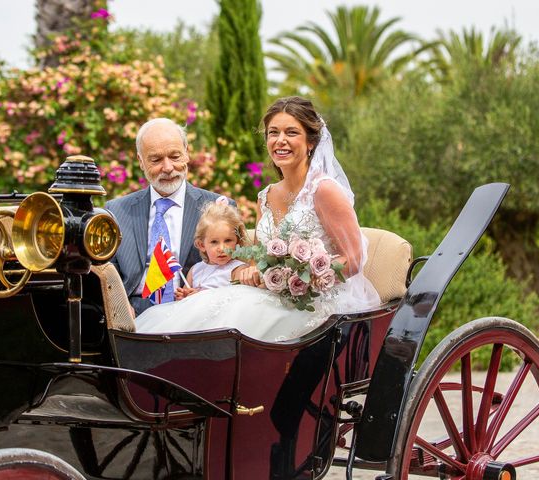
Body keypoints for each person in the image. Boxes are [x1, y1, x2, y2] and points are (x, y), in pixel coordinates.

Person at [135, 97, 380, 341]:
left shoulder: (324, 190)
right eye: (273, 133)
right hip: (274, 296)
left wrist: (302, 279)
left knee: (227, 323)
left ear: (311, 142)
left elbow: (354, 259)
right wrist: (254, 273)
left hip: (315, 303)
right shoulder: (266, 196)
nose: (280, 140)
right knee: (196, 310)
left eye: (291, 132)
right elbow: (261, 262)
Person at [106, 118, 229, 316]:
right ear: (141, 161)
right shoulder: (117, 211)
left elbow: (233, 270)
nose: (168, 167)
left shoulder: (218, 207)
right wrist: (118, 305)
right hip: (133, 314)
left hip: (197, 314)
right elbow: (105, 273)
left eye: (174, 156)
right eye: (156, 160)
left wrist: (203, 295)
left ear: (187, 153)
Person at [135, 198, 250, 331]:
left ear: (237, 242)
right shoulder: (196, 270)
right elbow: (185, 298)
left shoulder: (237, 269)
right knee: (155, 318)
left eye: (228, 240)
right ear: (202, 245)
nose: (222, 248)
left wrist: (200, 297)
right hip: (189, 318)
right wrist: (183, 296)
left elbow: (237, 304)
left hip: (217, 323)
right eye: (214, 242)